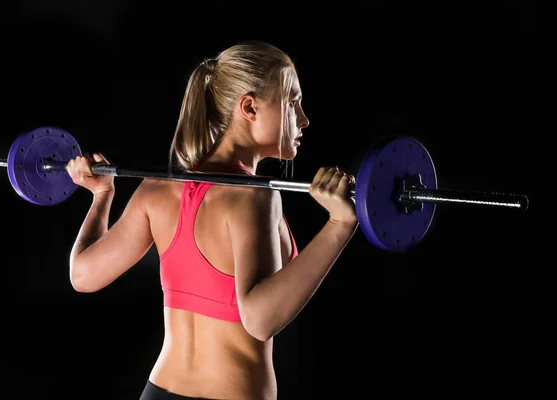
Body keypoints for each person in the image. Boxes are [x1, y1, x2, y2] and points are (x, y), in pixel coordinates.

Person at [66, 40, 358, 400]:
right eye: (292, 102)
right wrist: (339, 227)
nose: (304, 119)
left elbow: (82, 274)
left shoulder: (157, 190)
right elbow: (260, 319)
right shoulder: (254, 196)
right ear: (249, 107)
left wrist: (102, 196)